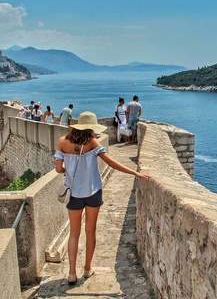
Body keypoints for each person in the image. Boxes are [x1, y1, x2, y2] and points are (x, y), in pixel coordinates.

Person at [55, 111, 151, 284]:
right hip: (92, 192)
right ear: (91, 128)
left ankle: (71, 273)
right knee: (90, 231)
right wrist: (135, 172)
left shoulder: (63, 142)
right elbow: (111, 162)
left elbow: (58, 169)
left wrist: (67, 170)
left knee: (74, 233)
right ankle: (87, 269)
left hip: (73, 193)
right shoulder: (92, 142)